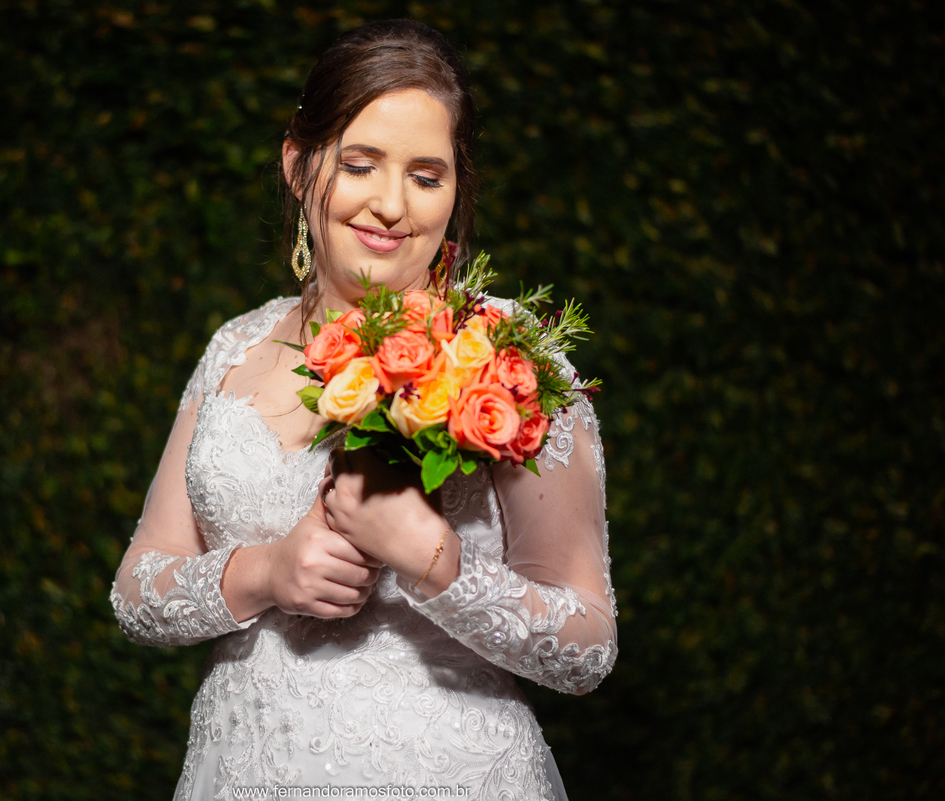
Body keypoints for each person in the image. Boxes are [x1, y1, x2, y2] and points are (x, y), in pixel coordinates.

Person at [110, 20, 616, 800]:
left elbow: (586, 646)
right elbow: (138, 590)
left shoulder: (509, 355)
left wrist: (431, 557)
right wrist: (265, 572)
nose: (389, 205)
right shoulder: (236, 346)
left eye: (425, 174)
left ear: (457, 190)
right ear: (296, 162)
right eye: (359, 163)